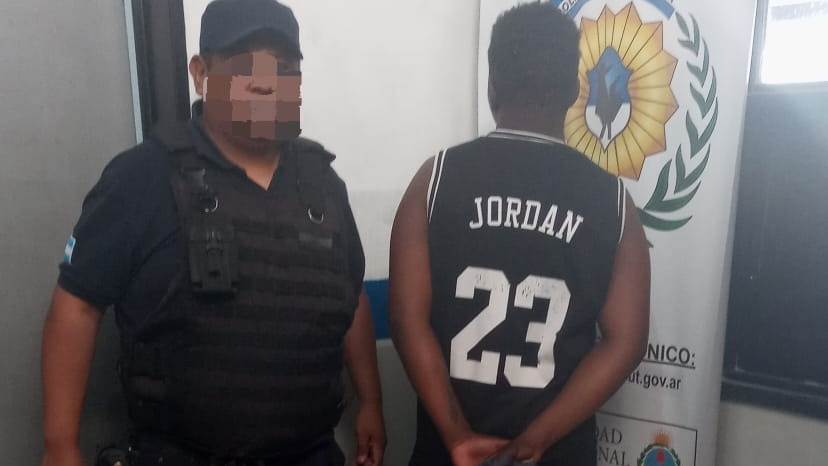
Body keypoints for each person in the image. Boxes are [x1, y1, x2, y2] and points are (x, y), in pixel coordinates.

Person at [40, 1, 385, 465]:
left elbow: (351, 296)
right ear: (201, 73)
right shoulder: (141, 176)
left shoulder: (323, 183)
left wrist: (371, 402)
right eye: (245, 64)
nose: (266, 82)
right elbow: (78, 305)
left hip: (309, 453)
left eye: (285, 68)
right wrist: (59, 445)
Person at [388, 3, 650, 466]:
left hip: (446, 453)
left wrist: (457, 436)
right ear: (574, 90)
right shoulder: (614, 202)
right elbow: (625, 341)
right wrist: (534, 442)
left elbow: (407, 318)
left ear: (492, 85)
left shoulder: (435, 180)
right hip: (557, 453)